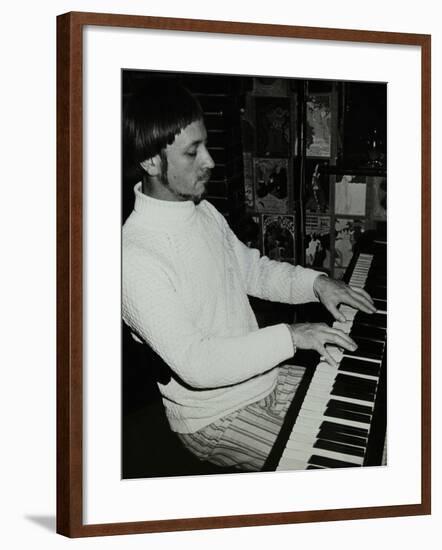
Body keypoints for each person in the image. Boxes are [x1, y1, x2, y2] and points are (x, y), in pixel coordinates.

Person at [122, 80, 376, 472]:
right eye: (193, 152)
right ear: (151, 162)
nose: (209, 161)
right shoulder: (134, 258)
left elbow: (252, 271)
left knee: (375, 409)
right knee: (342, 470)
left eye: (204, 144)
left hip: (263, 378)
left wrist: (315, 283)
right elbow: (197, 363)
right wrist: (293, 335)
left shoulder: (200, 211)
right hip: (215, 417)